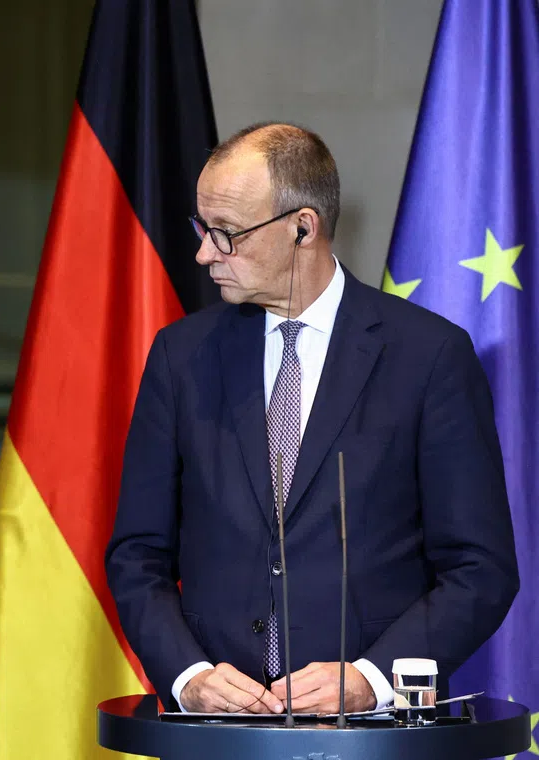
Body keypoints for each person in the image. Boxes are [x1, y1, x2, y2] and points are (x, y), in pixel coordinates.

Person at [106, 123, 518, 715]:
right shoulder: (181, 356)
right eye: (203, 229)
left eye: (226, 234)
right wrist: (188, 676)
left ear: (303, 226)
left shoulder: (428, 356)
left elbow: (481, 568)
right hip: (218, 738)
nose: (203, 254)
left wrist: (372, 680)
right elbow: (137, 553)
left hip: (374, 737)